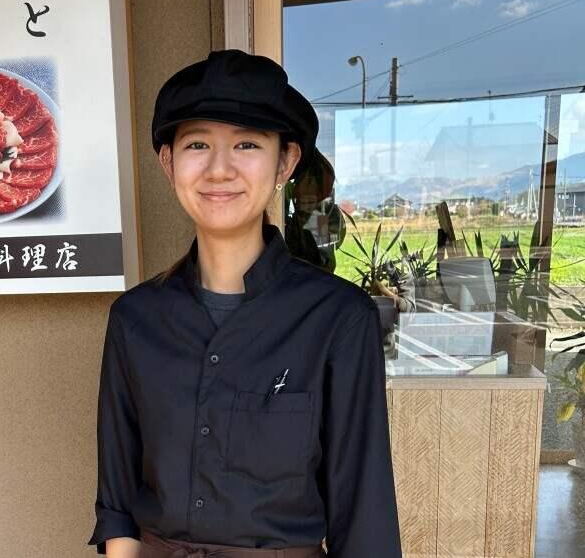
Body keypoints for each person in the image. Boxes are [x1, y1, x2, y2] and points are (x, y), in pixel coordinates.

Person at [87, 49, 402, 558]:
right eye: (197, 144)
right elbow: (117, 500)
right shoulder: (135, 319)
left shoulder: (337, 319)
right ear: (169, 163)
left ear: (286, 161)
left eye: (247, 144)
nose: (219, 168)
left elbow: (364, 518)